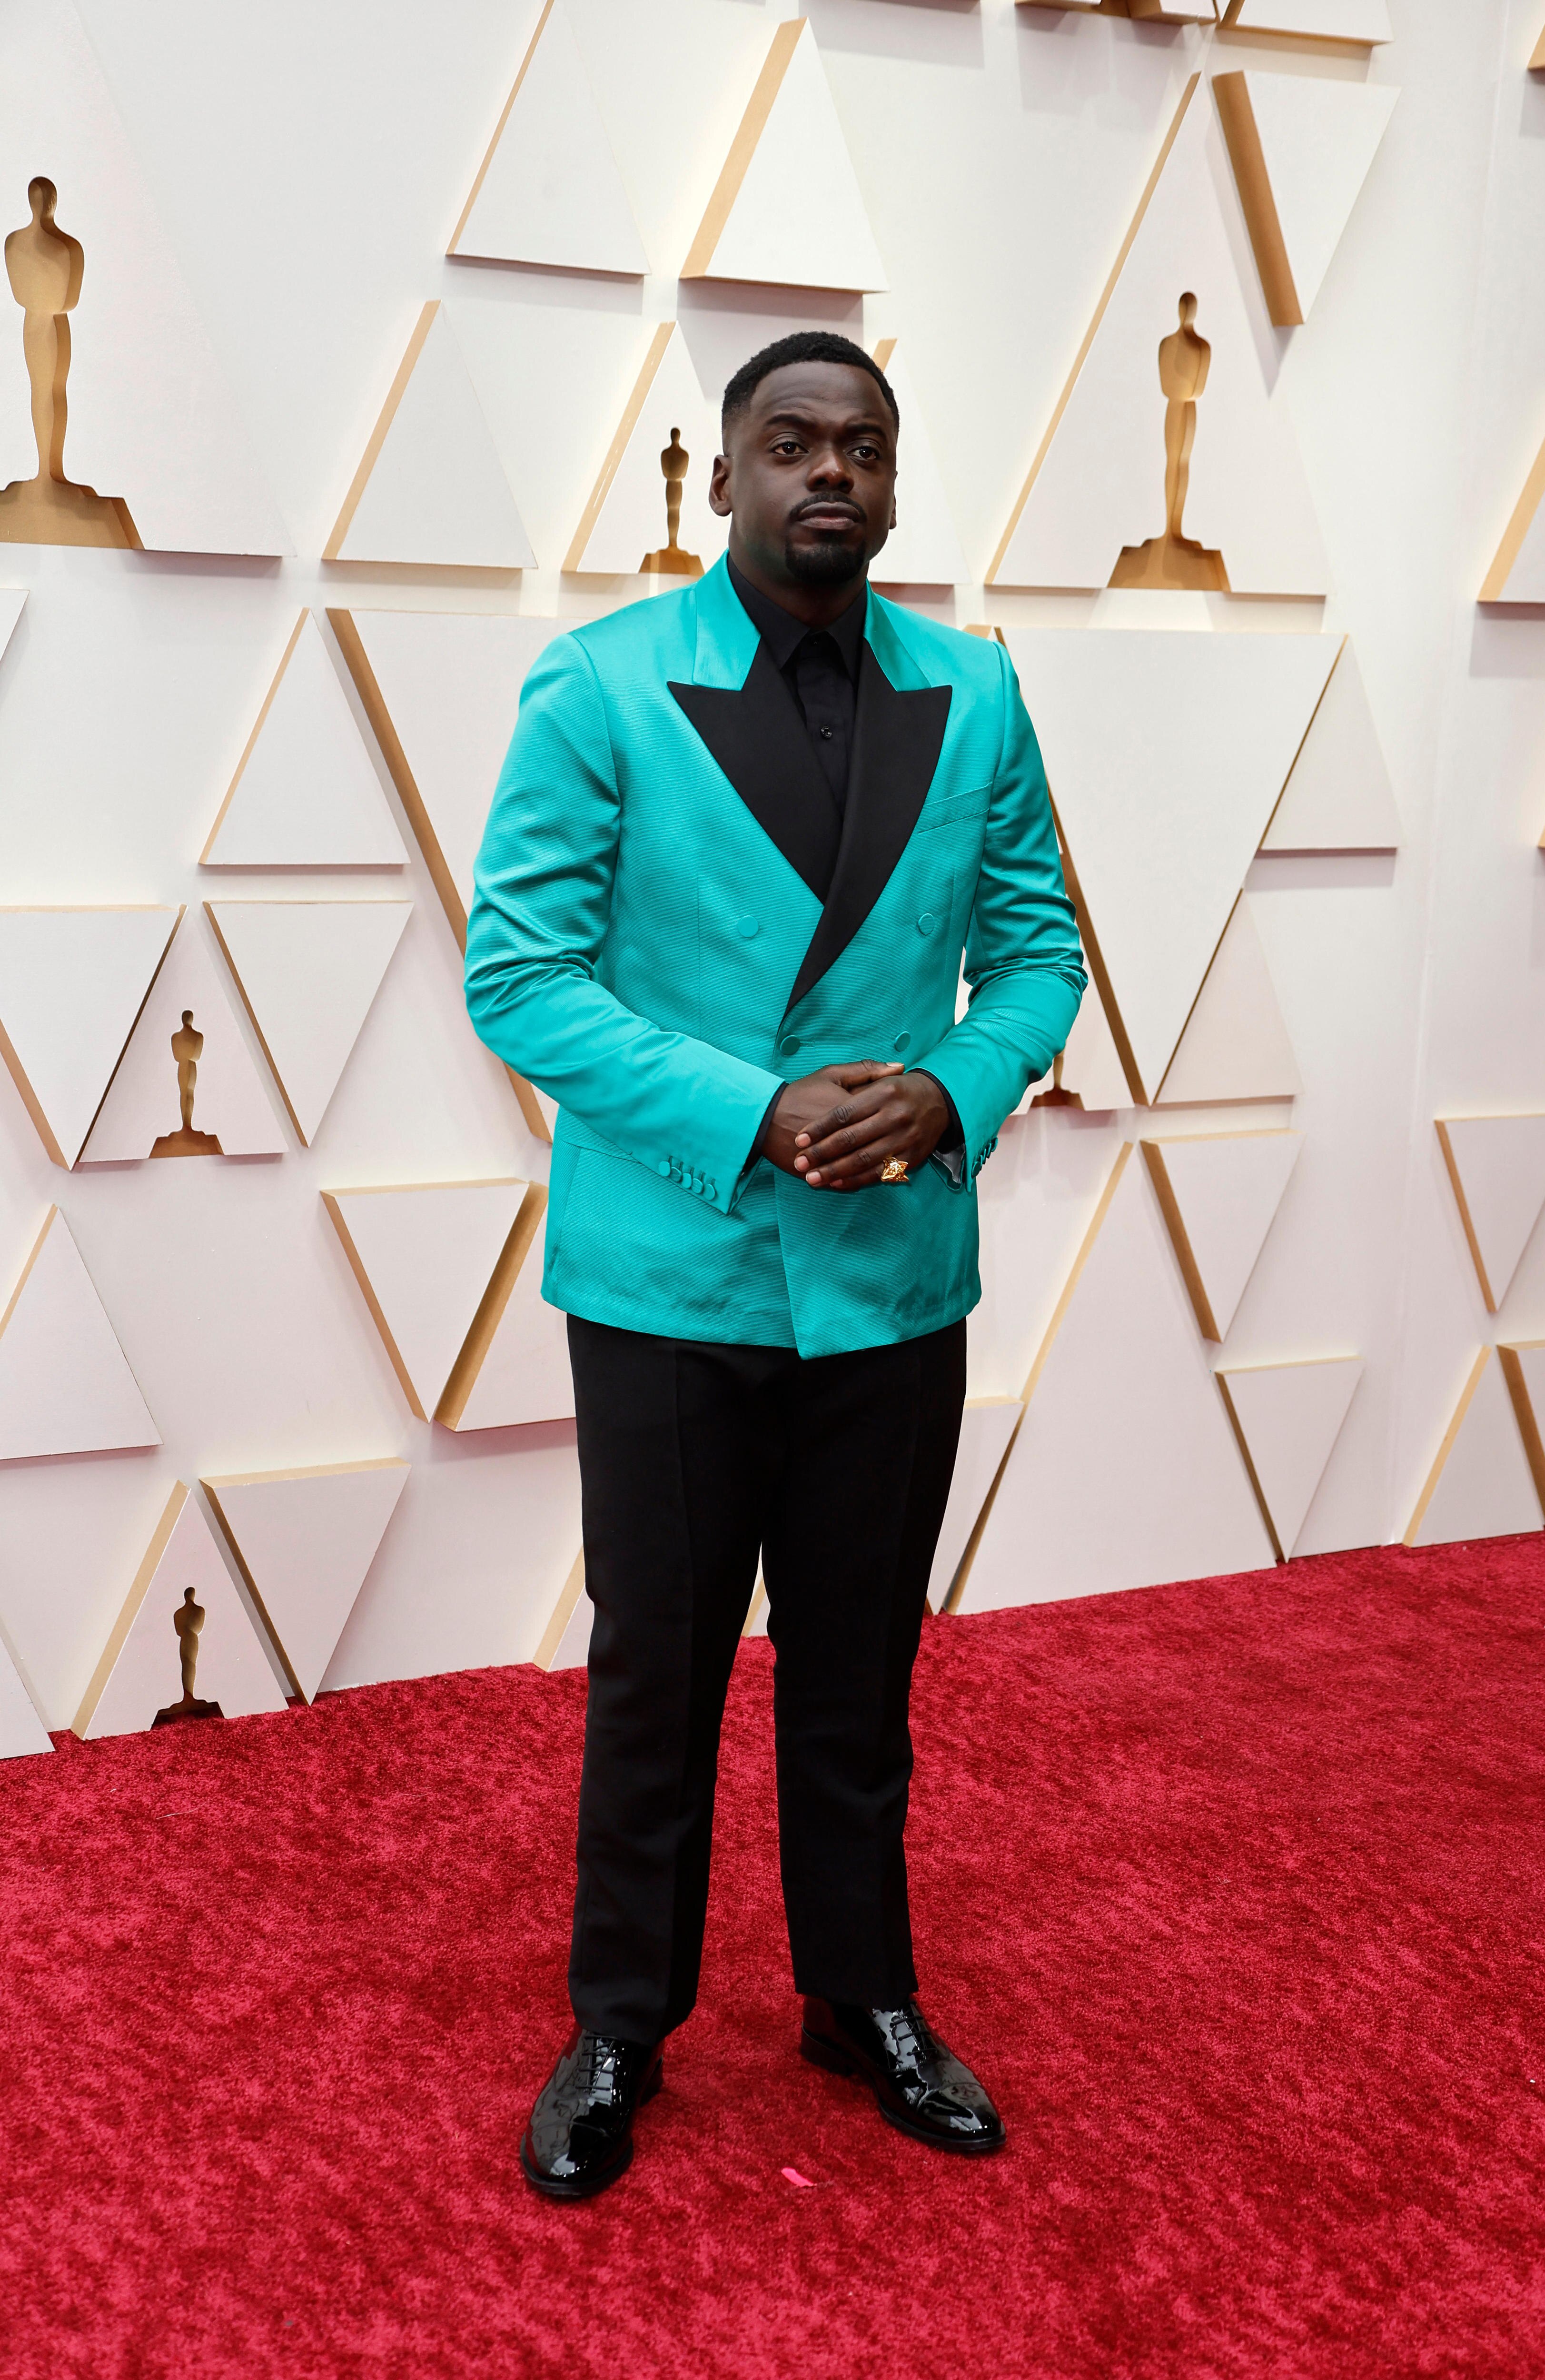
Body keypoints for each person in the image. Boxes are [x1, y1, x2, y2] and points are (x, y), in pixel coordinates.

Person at [465, 330, 1086, 2201]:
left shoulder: (976, 696)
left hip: (895, 1275)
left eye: (866, 447)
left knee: (860, 1668)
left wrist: (947, 1090)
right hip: (674, 1277)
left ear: (896, 485)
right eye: (794, 442)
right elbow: (520, 977)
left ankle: (862, 1995)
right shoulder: (598, 688)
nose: (834, 472)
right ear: (725, 474)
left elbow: (1042, 952)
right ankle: (619, 2021)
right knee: (658, 1665)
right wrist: (758, 1108)